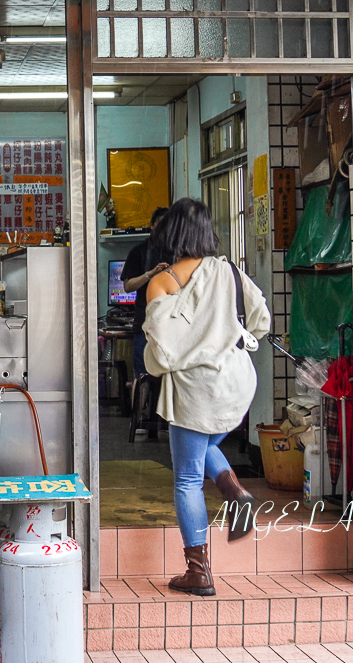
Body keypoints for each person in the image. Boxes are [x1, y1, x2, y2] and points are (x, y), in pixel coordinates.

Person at [143, 198, 270, 597]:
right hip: (234, 386)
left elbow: (161, 356)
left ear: (170, 234)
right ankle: (233, 488)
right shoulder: (230, 271)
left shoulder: (162, 283)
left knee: (186, 479)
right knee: (205, 448)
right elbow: (261, 319)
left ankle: (198, 571)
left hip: (194, 393)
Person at [120, 206, 173, 381]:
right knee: (143, 377)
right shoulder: (139, 252)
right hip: (145, 324)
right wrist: (151, 274)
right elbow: (128, 286)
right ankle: (140, 408)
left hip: (172, 325)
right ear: (152, 226)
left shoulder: (179, 252)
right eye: (161, 224)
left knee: (169, 379)